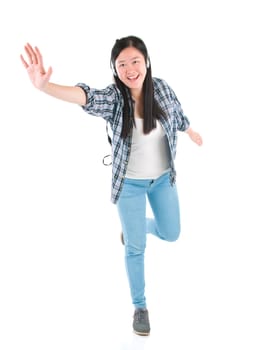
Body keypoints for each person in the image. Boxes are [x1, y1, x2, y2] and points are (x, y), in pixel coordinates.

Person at [20, 35, 203, 336]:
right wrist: (45, 87)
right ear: (114, 69)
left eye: (135, 61)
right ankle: (140, 307)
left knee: (172, 233)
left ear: (146, 62)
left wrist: (191, 131)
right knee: (135, 248)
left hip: (162, 181)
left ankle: (137, 226)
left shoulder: (162, 89)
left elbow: (178, 115)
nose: (130, 69)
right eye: (122, 64)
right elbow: (85, 96)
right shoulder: (116, 99)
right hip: (129, 185)